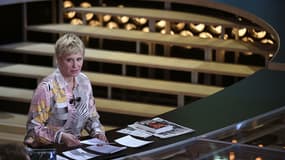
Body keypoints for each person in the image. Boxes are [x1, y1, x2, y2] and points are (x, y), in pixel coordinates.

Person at [24, 33, 108, 148]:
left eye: (79, 59)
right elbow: (33, 130)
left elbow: (91, 116)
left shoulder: (84, 81)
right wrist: (60, 136)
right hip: (49, 150)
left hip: (75, 148)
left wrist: (97, 132)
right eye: (69, 60)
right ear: (58, 60)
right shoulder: (46, 88)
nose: (75, 65)